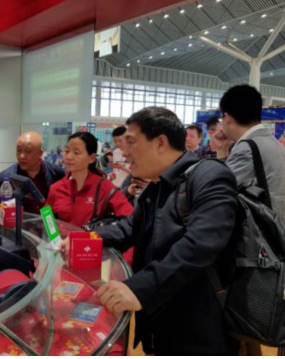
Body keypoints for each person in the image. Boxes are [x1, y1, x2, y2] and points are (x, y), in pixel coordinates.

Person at [90, 107, 239, 355]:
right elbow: (129, 230)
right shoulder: (156, 187)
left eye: (131, 143)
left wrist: (139, 288)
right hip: (161, 320)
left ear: (161, 142)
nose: (124, 152)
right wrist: (85, 239)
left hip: (200, 327)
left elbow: (200, 244)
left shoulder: (210, 176)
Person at [47, 132, 134, 264]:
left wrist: (125, 261)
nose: (69, 156)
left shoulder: (103, 186)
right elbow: (47, 219)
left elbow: (131, 219)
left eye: (76, 152)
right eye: (67, 150)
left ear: (92, 158)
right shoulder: (56, 188)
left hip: (92, 256)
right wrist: (55, 243)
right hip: (62, 256)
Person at [218, 84, 285, 222]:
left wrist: (220, 150)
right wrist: (222, 148)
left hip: (255, 236)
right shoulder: (275, 144)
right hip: (275, 232)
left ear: (227, 118)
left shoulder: (247, 148)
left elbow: (218, 191)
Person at [0, 131, 64, 214]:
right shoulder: (4, 177)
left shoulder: (57, 173)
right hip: (17, 226)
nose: (21, 156)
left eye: (27, 151)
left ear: (40, 153)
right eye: (19, 150)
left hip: (49, 225)